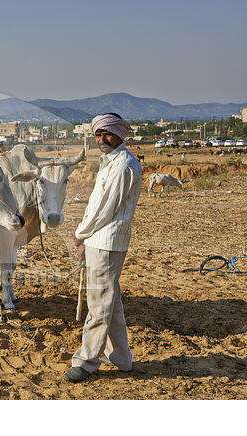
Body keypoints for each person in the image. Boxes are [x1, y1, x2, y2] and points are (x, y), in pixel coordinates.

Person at [63, 113, 142, 383]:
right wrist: (86, 239)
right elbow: (97, 206)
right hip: (99, 240)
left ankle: (86, 362)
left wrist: (80, 234)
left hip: (107, 241)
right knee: (112, 301)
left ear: (120, 134)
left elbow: (104, 210)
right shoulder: (110, 163)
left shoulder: (122, 166)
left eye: (106, 133)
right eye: (97, 134)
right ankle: (120, 357)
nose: (101, 139)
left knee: (98, 303)